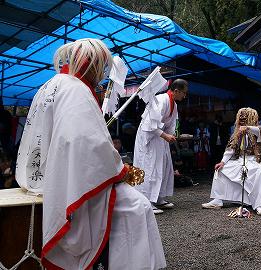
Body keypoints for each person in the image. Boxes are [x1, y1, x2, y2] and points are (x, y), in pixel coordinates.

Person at [15, 38, 165, 269]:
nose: (102, 76)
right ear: (92, 64)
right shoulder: (76, 89)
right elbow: (86, 143)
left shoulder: (49, 85)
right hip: (69, 180)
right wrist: (121, 169)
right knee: (138, 206)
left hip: (46, 175)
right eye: (101, 68)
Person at [202, 108, 261, 215]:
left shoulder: (260, 129)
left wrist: (248, 128)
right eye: (240, 118)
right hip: (240, 160)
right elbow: (230, 149)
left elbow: (260, 131)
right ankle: (218, 200)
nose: (242, 121)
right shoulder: (237, 132)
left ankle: (260, 204)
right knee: (221, 169)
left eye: (245, 118)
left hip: (256, 161)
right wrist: (223, 162)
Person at [134, 78, 188, 214]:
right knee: (151, 167)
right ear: (176, 91)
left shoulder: (173, 105)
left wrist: (172, 136)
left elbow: (171, 125)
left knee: (164, 166)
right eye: (183, 93)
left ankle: (158, 198)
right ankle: (147, 201)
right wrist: (165, 135)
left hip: (160, 137)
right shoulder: (161, 99)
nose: (184, 96)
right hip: (150, 138)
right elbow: (149, 124)